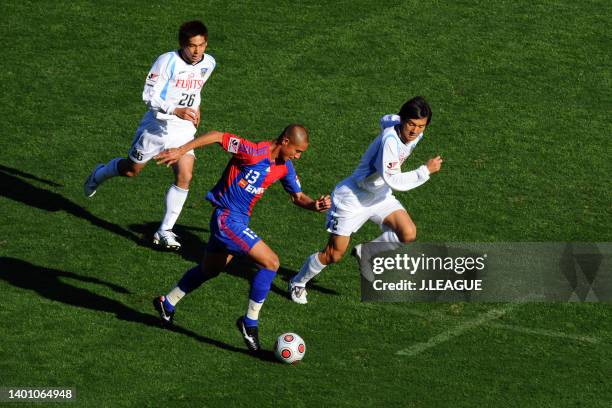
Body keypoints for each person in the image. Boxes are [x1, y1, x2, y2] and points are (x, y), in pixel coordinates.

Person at [152, 125, 331, 353]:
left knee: (210, 269)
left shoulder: (284, 167)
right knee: (271, 262)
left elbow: (298, 196)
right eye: (297, 151)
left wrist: (314, 205)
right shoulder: (252, 151)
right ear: (285, 141)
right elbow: (218, 136)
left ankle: (166, 303)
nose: (298, 156)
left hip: (237, 221)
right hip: (226, 219)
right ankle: (250, 323)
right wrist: (180, 151)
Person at [288, 96, 443, 304]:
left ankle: (368, 253)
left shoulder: (407, 130)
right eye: (411, 125)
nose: (415, 131)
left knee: (408, 233)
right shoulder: (390, 141)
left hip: (379, 196)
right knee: (333, 254)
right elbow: (394, 179)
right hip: (353, 198)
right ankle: (297, 282)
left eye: (421, 126)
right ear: (403, 121)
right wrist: (425, 171)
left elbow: (385, 119)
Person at [83, 20, 216, 250]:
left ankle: (165, 230)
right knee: (131, 171)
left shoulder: (209, 63)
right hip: (157, 127)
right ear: (182, 44)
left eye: (202, 45)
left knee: (185, 175)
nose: (197, 51)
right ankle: (101, 173)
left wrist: (195, 107)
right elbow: (148, 95)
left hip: (184, 129)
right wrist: (176, 109)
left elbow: (196, 89)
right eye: (192, 46)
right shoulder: (167, 61)